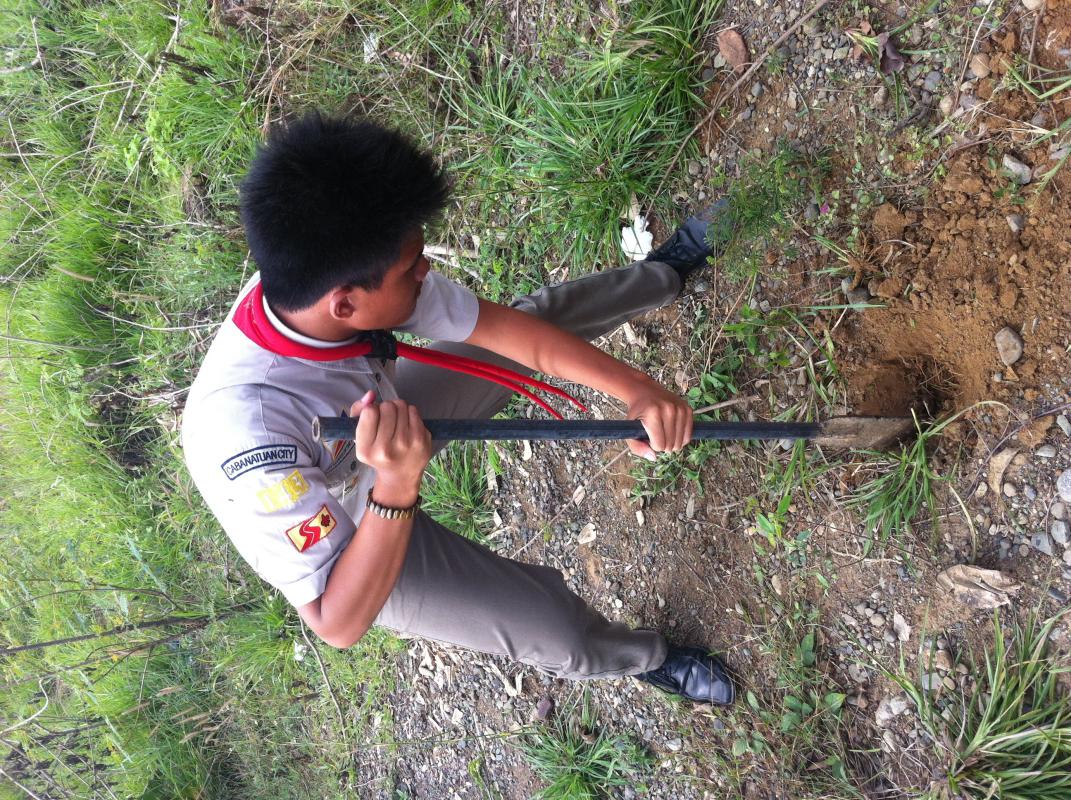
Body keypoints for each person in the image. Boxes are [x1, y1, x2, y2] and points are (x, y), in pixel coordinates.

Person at [180, 110, 735, 705]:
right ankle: (649, 659)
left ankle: (662, 274)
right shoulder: (250, 441)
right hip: (351, 538)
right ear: (345, 306)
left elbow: (514, 335)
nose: (427, 271)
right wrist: (394, 484)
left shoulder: (342, 277)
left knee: (541, 317)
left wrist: (636, 390)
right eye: (411, 268)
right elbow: (336, 623)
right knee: (553, 631)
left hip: (384, 426)